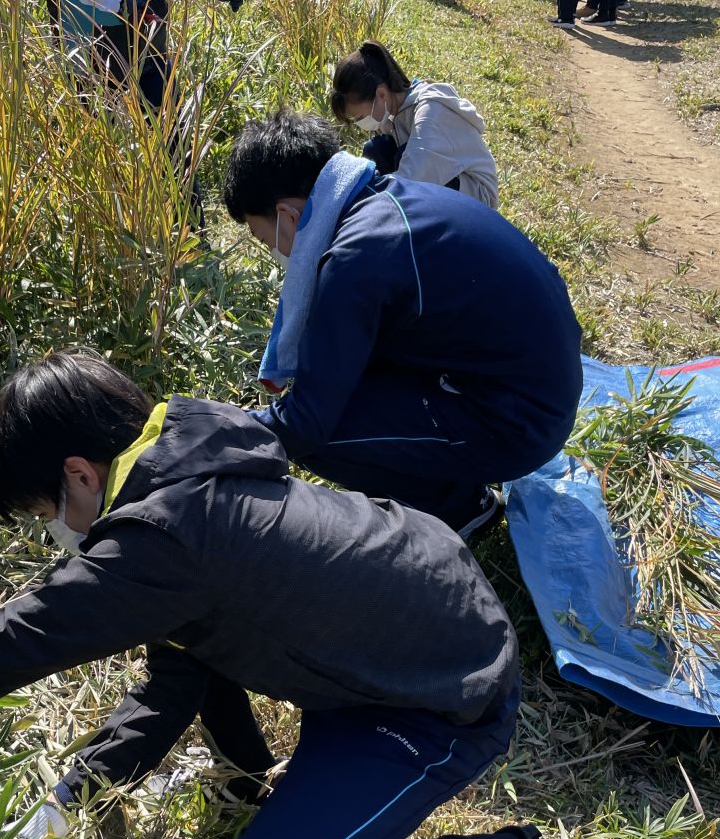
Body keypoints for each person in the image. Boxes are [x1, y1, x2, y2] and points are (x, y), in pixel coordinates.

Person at [0, 350, 557, 839]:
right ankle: (251, 785)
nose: (54, 531)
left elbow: (15, 640)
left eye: (45, 510)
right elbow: (177, 677)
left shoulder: (168, 539)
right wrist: (71, 798)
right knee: (204, 646)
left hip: (444, 696)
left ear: (79, 473)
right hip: (399, 634)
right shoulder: (189, 470)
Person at [222, 112, 583, 539]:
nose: (273, 251)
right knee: (349, 374)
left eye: (266, 239)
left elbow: (306, 423)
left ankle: (459, 507)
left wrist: (217, 430)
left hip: (520, 424)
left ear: (289, 216)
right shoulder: (385, 198)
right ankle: (451, 468)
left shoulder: (356, 257)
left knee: (324, 438)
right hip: (537, 387)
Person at [45, 0, 249, 111]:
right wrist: (125, 4)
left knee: (174, 146)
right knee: (105, 155)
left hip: (150, 44)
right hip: (93, 60)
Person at [330, 41, 500, 208]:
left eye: (361, 116)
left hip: (476, 198)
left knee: (392, 180)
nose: (361, 123)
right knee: (376, 150)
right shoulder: (394, 112)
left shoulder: (431, 113)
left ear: (381, 94)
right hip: (435, 179)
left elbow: (409, 180)